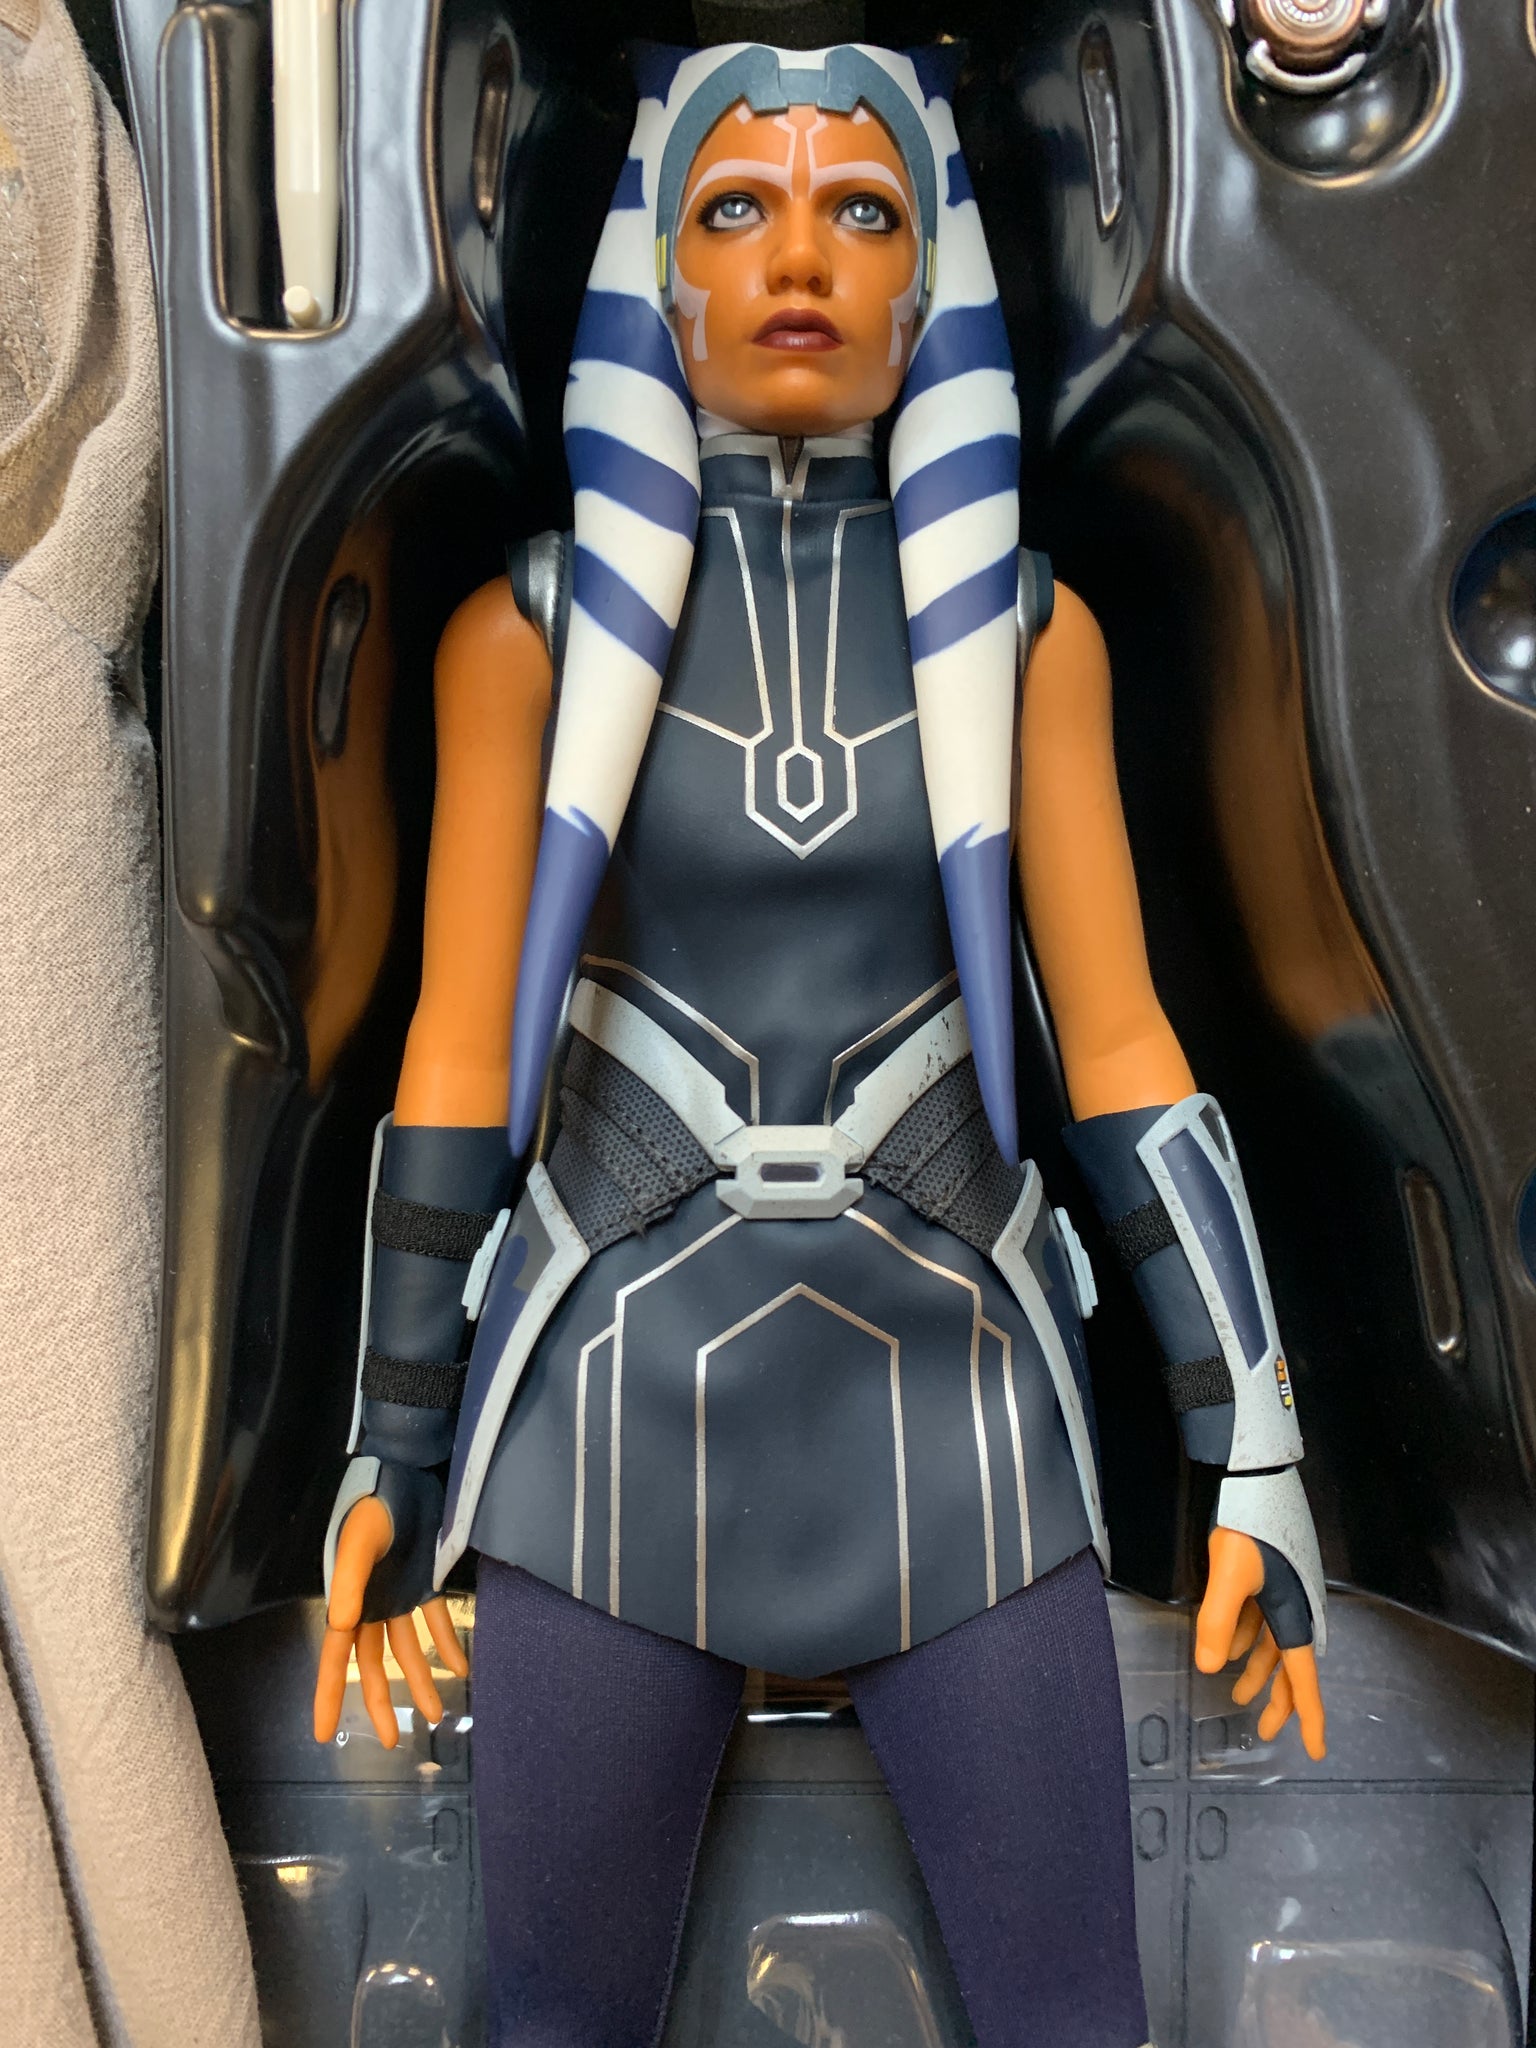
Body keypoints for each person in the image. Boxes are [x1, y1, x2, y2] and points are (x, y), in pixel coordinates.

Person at [312, 39, 1326, 2048]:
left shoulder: (1024, 637)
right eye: (736, 206)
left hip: (959, 1399)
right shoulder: (525, 640)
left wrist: (1255, 1445)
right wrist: (392, 1445)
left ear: (929, 273)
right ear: (661, 271)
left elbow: (1123, 1052)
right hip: (613, 1397)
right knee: (555, 2019)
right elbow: (455, 1061)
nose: (798, 257)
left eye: (860, 207)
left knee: (1074, 2018)